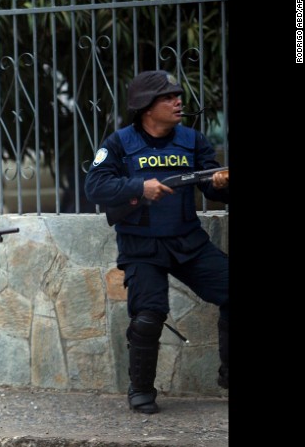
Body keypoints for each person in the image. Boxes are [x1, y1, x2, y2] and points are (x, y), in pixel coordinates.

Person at [84, 70, 229, 414]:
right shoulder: (119, 143)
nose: (178, 101)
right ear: (146, 107)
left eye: (177, 95)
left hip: (187, 242)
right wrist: (139, 187)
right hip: (142, 247)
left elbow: (209, 185)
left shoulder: (193, 140)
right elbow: (95, 187)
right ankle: (141, 389)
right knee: (149, 315)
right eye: (168, 97)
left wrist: (221, 182)